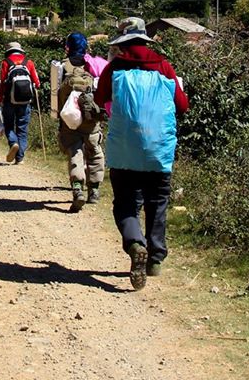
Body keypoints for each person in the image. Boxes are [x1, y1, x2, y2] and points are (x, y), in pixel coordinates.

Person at [95, 17, 189, 290]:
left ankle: (136, 243)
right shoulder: (164, 67)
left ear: (122, 43)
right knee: (157, 204)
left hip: (124, 152)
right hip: (159, 152)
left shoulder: (114, 69)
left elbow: (101, 100)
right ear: (145, 39)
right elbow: (182, 106)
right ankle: (155, 260)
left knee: (125, 203)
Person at [55, 32, 105, 213]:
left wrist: (58, 118)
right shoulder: (96, 64)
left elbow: (55, 96)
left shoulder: (61, 66)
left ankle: (77, 189)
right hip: (91, 118)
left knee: (74, 152)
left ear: (68, 47)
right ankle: (95, 191)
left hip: (69, 119)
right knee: (95, 152)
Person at [0, 41, 40, 164]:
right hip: (25, 102)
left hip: (9, 101)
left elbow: (2, 83)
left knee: (8, 125)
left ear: (9, 51)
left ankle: (13, 143)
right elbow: (37, 83)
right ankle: (20, 158)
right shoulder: (28, 62)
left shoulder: (6, 62)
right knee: (22, 129)